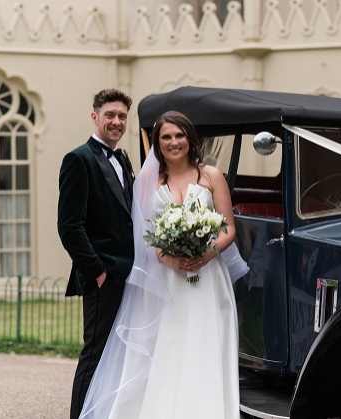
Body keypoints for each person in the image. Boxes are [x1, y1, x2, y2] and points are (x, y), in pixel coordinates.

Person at [79, 111, 240, 418]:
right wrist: (169, 258)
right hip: (166, 280)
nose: (173, 142)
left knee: (204, 344)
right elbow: (143, 236)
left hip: (208, 278)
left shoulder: (211, 176)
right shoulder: (147, 182)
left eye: (179, 135)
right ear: (157, 143)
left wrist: (207, 253)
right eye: (166, 137)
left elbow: (228, 228)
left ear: (190, 139)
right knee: (169, 346)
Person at [57, 88, 135, 419]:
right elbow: (69, 226)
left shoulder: (124, 159)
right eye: (110, 115)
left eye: (122, 116)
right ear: (95, 117)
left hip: (129, 273)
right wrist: (98, 272)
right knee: (95, 355)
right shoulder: (78, 160)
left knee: (119, 355)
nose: (116, 122)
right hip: (104, 276)